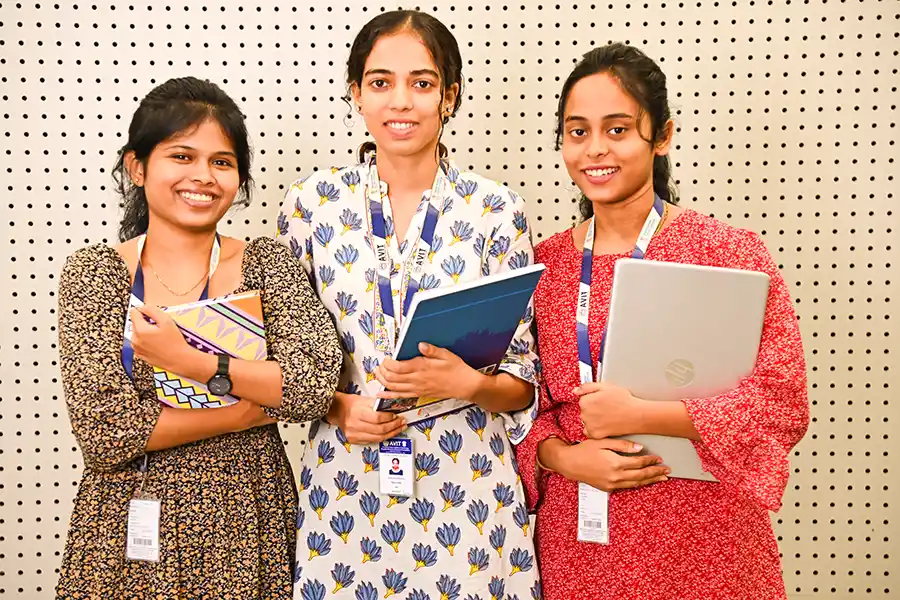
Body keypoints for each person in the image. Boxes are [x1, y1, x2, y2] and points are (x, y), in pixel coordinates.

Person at [515, 44, 809, 600]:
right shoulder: (541, 267)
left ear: (663, 136)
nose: (595, 149)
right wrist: (563, 456)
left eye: (618, 129)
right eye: (577, 132)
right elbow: (518, 407)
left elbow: (781, 401)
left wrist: (645, 415)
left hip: (709, 540)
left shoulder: (727, 253)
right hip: (582, 545)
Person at [276, 10, 541, 599]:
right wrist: (338, 406)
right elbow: (286, 360)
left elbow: (523, 382)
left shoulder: (495, 210)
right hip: (347, 478)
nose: (401, 101)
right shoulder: (311, 205)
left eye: (422, 83)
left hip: (468, 482)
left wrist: (469, 383)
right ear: (356, 94)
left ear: (450, 96)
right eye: (381, 82)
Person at [55, 76, 342, 599]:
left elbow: (312, 387)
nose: (203, 177)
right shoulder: (96, 274)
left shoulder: (267, 264)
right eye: (182, 156)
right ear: (137, 166)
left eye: (222, 162)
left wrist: (192, 361)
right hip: (127, 523)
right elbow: (105, 431)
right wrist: (244, 411)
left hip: (248, 518)